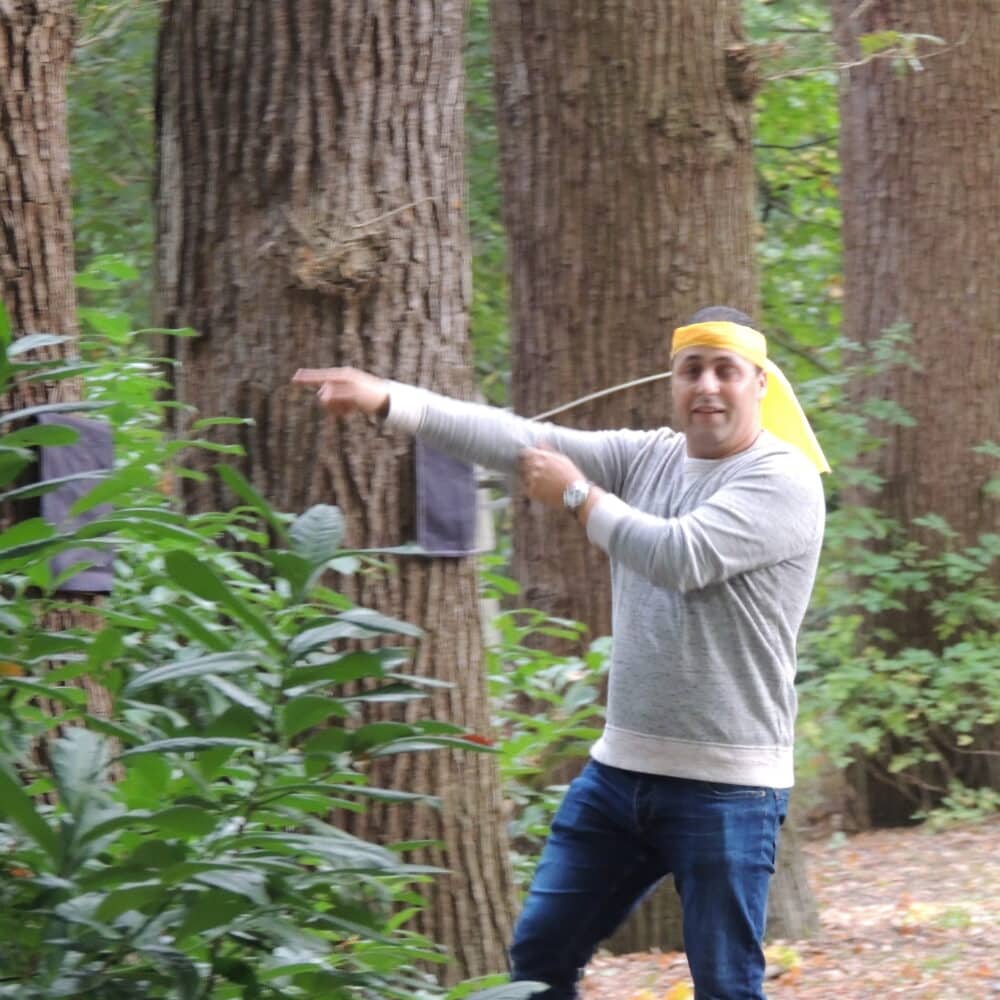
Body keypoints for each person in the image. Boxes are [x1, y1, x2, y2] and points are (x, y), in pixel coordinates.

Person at [293, 306, 828, 1000]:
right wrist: (388, 398)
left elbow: (682, 556)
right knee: (541, 953)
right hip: (619, 775)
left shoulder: (783, 479)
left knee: (725, 985)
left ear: (759, 383)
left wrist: (578, 495)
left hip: (729, 787)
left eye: (725, 370)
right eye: (691, 369)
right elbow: (522, 439)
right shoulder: (650, 456)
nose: (707, 386)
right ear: (672, 381)